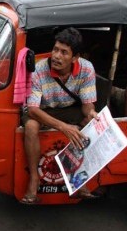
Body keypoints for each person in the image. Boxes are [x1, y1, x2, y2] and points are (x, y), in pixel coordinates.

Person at [21, 27, 98, 204]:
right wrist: (63, 127)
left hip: (68, 108)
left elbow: (87, 105)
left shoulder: (86, 69)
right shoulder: (39, 70)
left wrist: (92, 112)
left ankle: (79, 178)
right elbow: (32, 109)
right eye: (55, 49)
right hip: (41, 109)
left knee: (90, 122)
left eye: (64, 52)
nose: (57, 56)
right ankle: (34, 179)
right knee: (31, 126)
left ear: (75, 57)